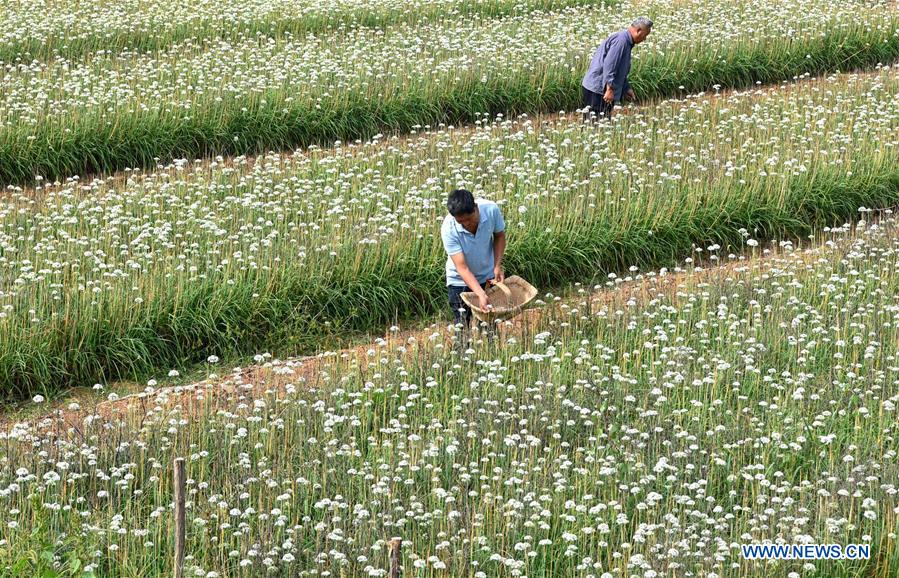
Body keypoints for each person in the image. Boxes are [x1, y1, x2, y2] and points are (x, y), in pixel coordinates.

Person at [441, 188, 506, 349]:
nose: (466, 224)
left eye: (469, 219)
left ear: (476, 207)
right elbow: (462, 268)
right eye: (461, 222)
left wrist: (497, 265)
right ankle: (462, 359)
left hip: (486, 276)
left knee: (489, 323)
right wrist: (480, 294)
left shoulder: (491, 210)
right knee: (462, 324)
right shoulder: (448, 228)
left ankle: (493, 355)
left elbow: (499, 235)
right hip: (459, 281)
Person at [581, 16, 653, 122]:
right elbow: (610, 66)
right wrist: (609, 89)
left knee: (600, 123)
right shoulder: (621, 41)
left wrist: (626, 88)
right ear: (638, 31)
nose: (645, 39)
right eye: (645, 35)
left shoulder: (626, 41)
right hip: (598, 90)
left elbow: (620, 70)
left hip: (601, 89)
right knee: (596, 124)